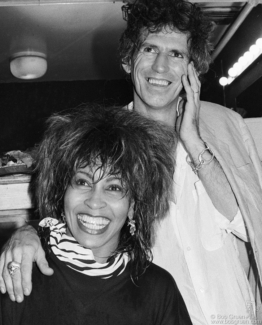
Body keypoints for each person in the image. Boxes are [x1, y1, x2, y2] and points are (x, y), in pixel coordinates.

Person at [1, 0, 262, 323]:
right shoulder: (107, 145)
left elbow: (252, 225)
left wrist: (195, 144)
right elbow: (71, 218)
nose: (160, 68)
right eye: (150, 49)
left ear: (192, 67)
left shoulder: (227, 126)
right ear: (128, 60)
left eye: (176, 54)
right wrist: (24, 234)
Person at [0, 105, 192, 324]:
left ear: (133, 206)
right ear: (62, 192)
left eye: (114, 187)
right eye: (82, 181)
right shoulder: (19, 275)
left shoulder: (158, 290)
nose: (94, 201)